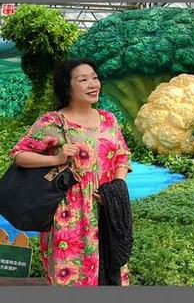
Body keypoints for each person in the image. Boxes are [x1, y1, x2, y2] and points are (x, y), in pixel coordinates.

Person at [10, 59, 132, 286]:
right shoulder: (53, 121)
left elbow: (122, 156)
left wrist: (116, 186)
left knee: (108, 275)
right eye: (83, 79)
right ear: (67, 86)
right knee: (70, 277)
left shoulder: (108, 119)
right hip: (68, 213)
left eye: (94, 77)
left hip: (106, 210)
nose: (92, 84)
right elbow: (19, 154)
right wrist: (56, 158)